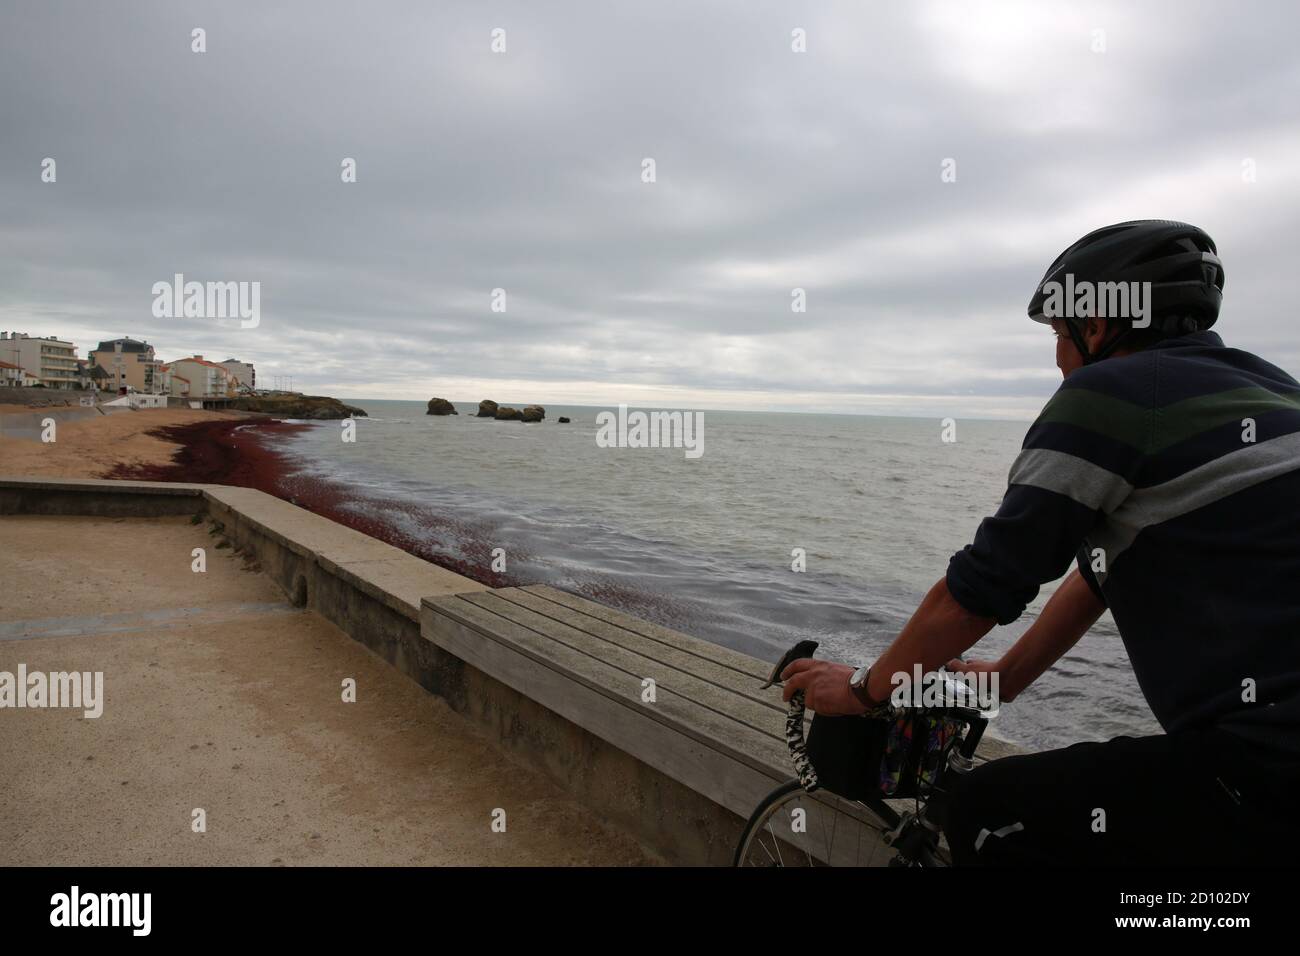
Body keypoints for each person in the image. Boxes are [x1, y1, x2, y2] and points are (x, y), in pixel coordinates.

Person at [781, 220, 1300, 864]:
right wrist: (1002, 680)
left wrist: (864, 690)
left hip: (1269, 758)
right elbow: (1099, 573)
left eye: (1060, 332)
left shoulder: (1111, 397)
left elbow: (976, 591)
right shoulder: (1275, 391)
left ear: (1101, 324)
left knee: (987, 811)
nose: (1058, 357)